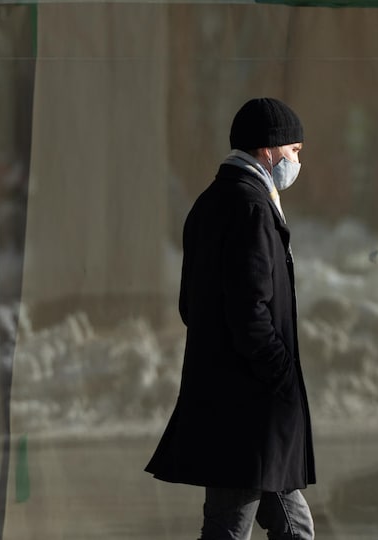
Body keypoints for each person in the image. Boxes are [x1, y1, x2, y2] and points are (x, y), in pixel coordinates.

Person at [146, 97, 316, 540]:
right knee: (232, 529)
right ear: (269, 149)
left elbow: (191, 305)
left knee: (293, 527)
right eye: (294, 151)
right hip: (248, 409)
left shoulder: (212, 201)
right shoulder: (252, 207)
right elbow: (250, 312)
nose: (298, 160)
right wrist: (280, 375)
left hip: (236, 403)